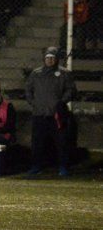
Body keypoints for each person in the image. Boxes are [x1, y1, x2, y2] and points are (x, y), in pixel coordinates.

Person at [25, 47, 76, 177]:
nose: (50, 60)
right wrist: (33, 102)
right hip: (39, 114)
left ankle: (63, 166)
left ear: (57, 59)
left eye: (52, 57)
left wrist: (61, 102)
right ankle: (36, 166)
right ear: (44, 59)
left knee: (61, 142)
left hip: (57, 115)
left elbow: (71, 90)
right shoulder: (36, 73)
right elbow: (28, 90)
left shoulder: (65, 73)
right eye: (48, 58)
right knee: (37, 142)